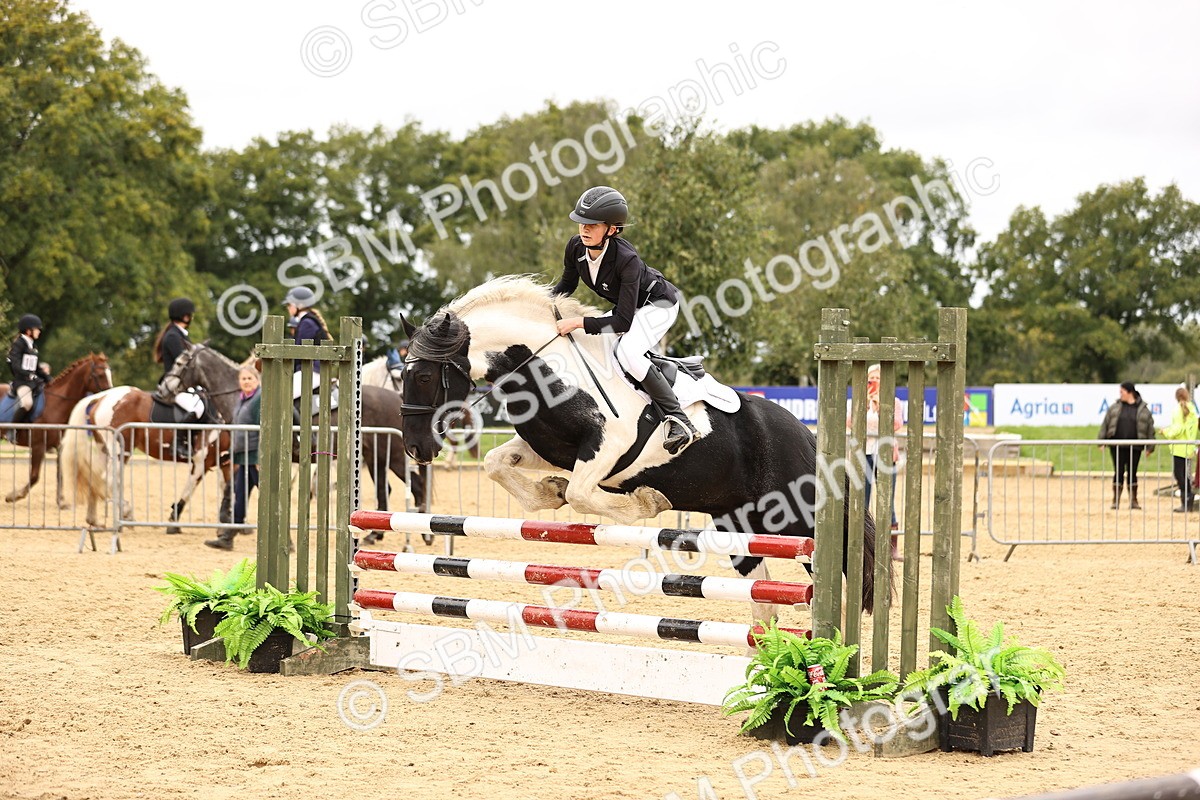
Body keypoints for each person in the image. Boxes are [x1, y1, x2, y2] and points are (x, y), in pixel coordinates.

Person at [551, 186, 698, 455]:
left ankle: (678, 419)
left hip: (659, 305)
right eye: (582, 223)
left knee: (628, 352)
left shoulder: (626, 259)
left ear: (612, 230)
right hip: (629, 309)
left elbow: (622, 323)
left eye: (593, 225)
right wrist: (541, 306)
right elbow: (566, 284)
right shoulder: (576, 247)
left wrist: (578, 322)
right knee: (589, 344)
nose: (584, 229)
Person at [848, 364, 905, 561]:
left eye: (878, 378)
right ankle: (862, 545)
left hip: (885, 454)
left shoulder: (894, 401)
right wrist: (863, 404)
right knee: (861, 500)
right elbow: (849, 422)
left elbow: (896, 424)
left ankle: (892, 548)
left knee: (887, 501)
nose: (874, 382)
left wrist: (881, 406)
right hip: (863, 454)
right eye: (871, 378)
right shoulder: (858, 400)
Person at [206, 366, 261, 550]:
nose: (246, 381)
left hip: (256, 459)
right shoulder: (243, 400)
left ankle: (286, 540)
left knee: (270, 501)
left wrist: (262, 457)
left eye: (249, 378)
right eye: (243, 378)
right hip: (244, 458)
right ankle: (228, 538)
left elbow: (263, 429)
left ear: (257, 380)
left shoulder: (259, 399)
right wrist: (231, 453)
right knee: (240, 500)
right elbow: (239, 431)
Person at [153, 297, 202, 460]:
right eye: (191, 315)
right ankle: (178, 443)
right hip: (175, 384)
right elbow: (185, 363)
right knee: (196, 407)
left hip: (182, 383)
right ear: (186, 317)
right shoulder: (173, 337)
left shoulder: (179, 335)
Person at [1097, 381, 1155, 510]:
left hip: (1135, 447)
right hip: (1116, 445)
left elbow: (1150, 428)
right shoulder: (1114, 407)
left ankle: (1133, 501)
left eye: (1122, 391)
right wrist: (1101, 441)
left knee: (1132, 472)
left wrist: (1150, 447)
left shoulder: (1143, 410)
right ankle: (1115, 500)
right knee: (1118, 472)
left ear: (1130, 392)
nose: (1120, 394)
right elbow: (1106, 424)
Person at [1157, 386, 1198, 513]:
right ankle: (1188, 500)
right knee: (1185, 475)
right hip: (1189, 446)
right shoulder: (1192, 409)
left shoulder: (1178, 409)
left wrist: (1165, 432)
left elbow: (1178, 428)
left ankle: (1186, 500)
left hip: (1179, 446)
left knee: (1179, 474)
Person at [7, 315, 46, 433]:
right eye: (37, 329)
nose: (39, 331)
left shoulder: (33, 345)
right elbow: (15, 365)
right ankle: (11, 431)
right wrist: (29, 374)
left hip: (32, 381)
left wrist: (49, 378)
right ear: (29, 331)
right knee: (27, 403)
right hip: (22, 382)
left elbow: (37, 368)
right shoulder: (19, 344)